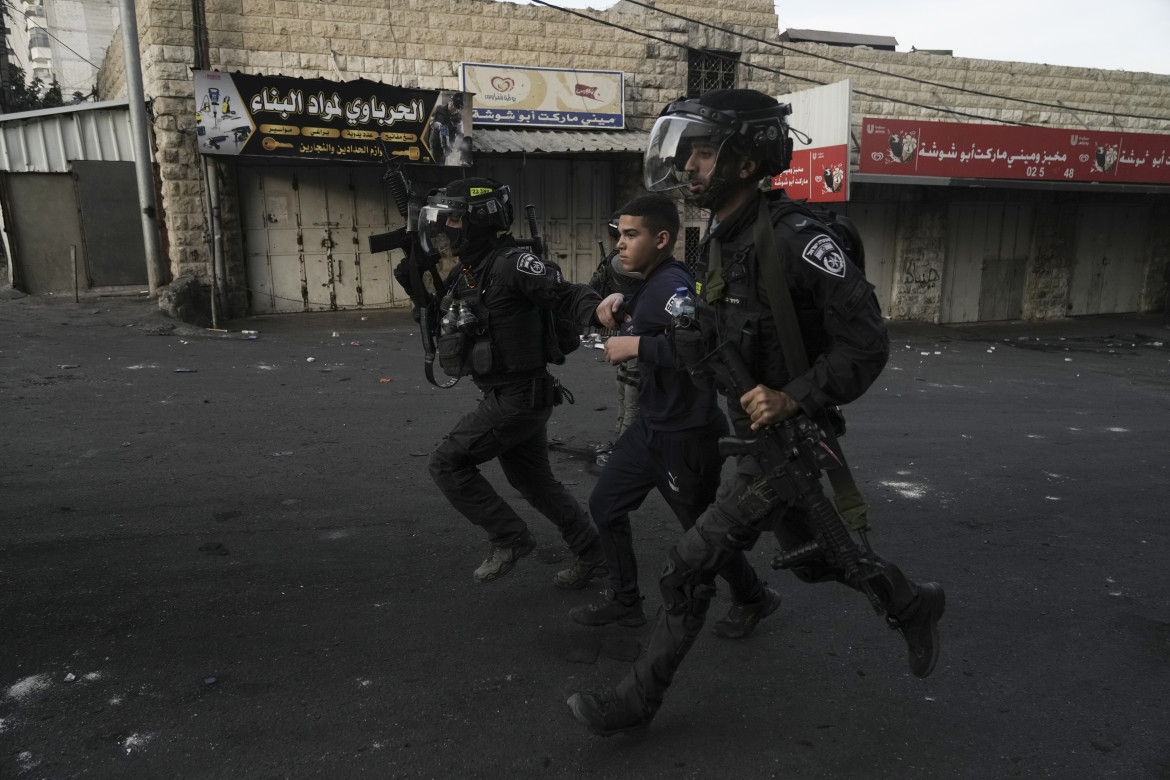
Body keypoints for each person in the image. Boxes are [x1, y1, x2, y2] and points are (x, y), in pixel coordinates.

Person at [568, 90, 946, 736]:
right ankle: (911, 603)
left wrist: (793, 396)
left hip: (787, 440)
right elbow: (718, 335)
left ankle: (634, 702)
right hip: (751, 437)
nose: (690, 168)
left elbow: (867, 344)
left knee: (689, 565)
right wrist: (645, 329)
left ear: (747, 161)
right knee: (824, 557)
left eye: (705, 154)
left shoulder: (797, 240)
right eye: (687, 155)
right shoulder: (723, 238)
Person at [568, 194, 781, 637]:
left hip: (686, 436)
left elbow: (702, 347)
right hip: (652, 428)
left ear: (662, 239)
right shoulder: (653, 282)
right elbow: (659, 319)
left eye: (631, 235)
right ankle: (626, 602)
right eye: (619, 235)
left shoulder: (672, 285)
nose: (620, 245)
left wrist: (637, 345)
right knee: (605, 504)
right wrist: (620, 304)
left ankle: (754, 596)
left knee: (702, 531)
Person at [420, 177, 609, 586]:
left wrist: (599, 312)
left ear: (480, 219)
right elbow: (448, 318)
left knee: (447, 463)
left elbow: (565, 292)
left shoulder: (511, 264)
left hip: (518, 398)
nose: (445, 229)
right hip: (511, 394)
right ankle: (594, 555)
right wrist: (414, 279)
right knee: (534, 482)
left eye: (454, 219)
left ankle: (509, 538)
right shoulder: (473, 272)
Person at [588, 211, 645, 463]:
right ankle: (625, 444)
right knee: (628, 391)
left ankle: (624, 440)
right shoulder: (621, 262)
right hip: (632, 331)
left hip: (627, 331)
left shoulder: (615, 260)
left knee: (627, 389)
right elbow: (650, 273)